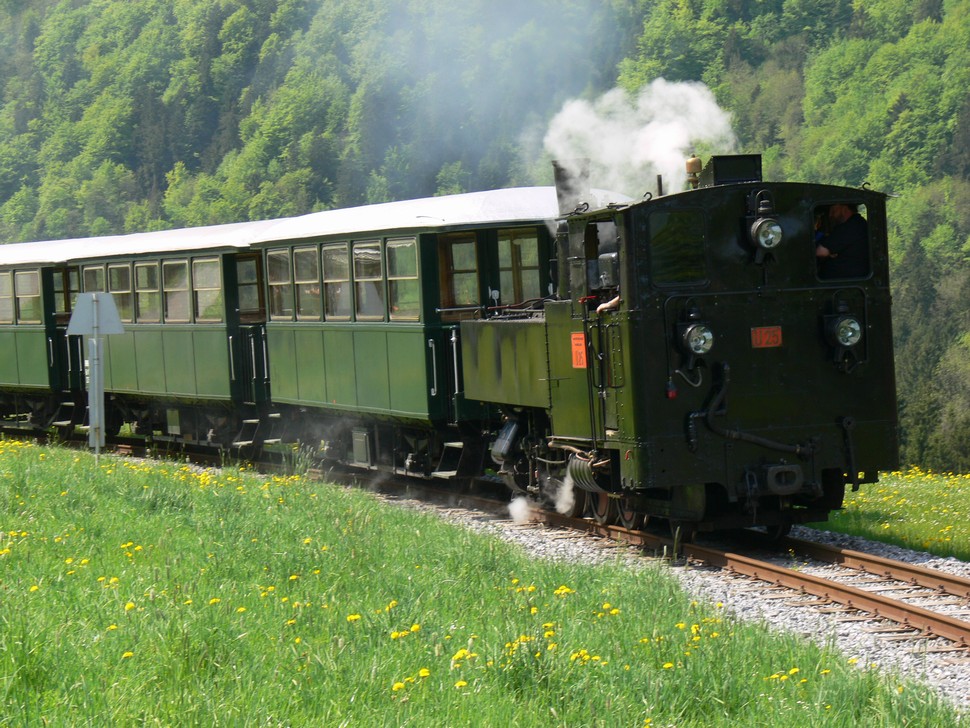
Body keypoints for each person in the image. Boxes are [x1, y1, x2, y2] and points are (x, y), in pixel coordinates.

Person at [816, 202, 868, 279]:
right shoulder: (855, 224)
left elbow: (821, 251)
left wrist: (829, 252)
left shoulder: (850, 227)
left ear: (844, 208)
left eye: (833, 210)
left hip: (845, 282)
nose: (830, 214)